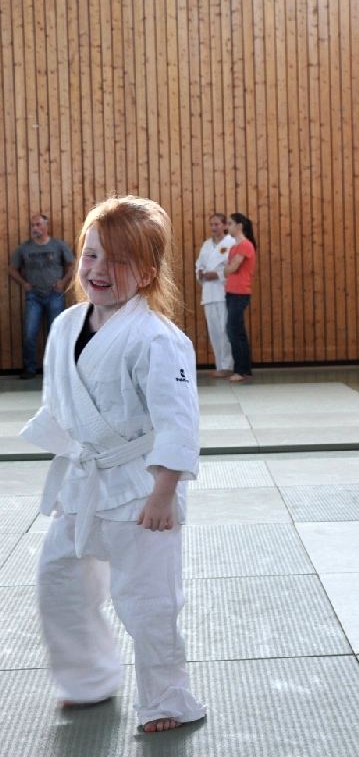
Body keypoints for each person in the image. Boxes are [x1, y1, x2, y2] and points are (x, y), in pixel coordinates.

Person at [21, 196, 206, 733]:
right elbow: (62, 402)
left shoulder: (159, 339)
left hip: (141, 488)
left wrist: (164, 495)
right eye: (92, 255)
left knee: (148, 602)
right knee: (59, 581)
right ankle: (89, 679)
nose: (98, 270)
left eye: (118, 261)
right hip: (84, 484)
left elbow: (178, 423)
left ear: (147, 273)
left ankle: (169, 700)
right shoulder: (66, 325)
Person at [9, 214, 76, 379]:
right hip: (34, 296)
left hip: (55, 295)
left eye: (38, 225)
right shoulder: (24, 248)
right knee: (29, 333)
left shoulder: (58, 245)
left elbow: (73, 264)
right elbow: (12, 269)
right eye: (33, 225)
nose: (35, 228)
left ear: (46, 226)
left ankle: (56, 368)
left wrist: (63, 282)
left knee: (56, 333)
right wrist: (24, 284)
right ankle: (29, 369)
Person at [195, 213, 235, 377]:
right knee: (214, 332)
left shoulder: (231, 243)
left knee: (225, 330)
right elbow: (199, 263)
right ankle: (220, 365)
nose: (214, 227)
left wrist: (218, 274)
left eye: (217, 224)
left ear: (224, 226)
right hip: (209, 292)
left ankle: (228, 365)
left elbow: (233, 266)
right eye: (211, 224)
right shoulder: (206, 244)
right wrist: (200, 272)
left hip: (224, 291)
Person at [224, 212, 256, 383]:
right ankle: (245, 369)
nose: (227, 227)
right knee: (239, 332)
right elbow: (226, 270)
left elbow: (232, 268)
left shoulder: (245, 245)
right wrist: (228, 268)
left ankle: (240, 370)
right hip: (231, 291)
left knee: (233, 330)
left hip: (240, 292)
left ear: (239, 226)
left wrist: (229, 267)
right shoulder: (234, 248)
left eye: (230, 224)